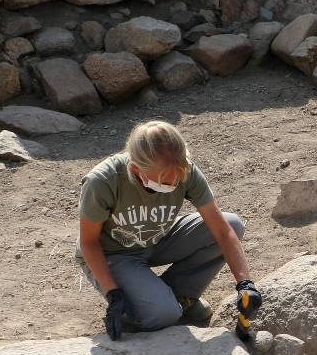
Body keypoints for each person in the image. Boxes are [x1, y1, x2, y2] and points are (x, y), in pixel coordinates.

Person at [77, 120, 260, 339]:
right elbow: (88, 243)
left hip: (157, 237)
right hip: (114, 253)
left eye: (176, 181)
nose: (171, 186)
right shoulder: (103, 181)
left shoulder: (186, 170)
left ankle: (180, 297)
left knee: (233, 224)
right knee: (163, 316)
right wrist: (114, 294)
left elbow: (222, 230)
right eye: (162, 182)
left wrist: (245, 283)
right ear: (136, 168)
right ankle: (138, 310)